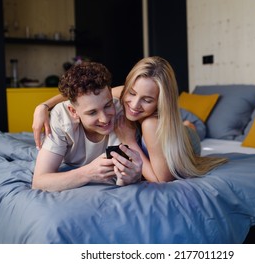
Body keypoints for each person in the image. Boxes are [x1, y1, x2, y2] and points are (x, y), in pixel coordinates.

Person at [33, 56, 227, 182]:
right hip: (152, 139)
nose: (134, 105)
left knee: (193, 129)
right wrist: (43, 106)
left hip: (182, 139)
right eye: (132, 93)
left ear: (160, 102)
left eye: (147, 100)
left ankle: (189, 126)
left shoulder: (152, 124)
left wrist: (129, 140)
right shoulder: (116, 95)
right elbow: (79, 94)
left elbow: (161, 179)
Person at [32, 61, 142, 192]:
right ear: (73, 112)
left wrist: (132, 177)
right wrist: (88, 173)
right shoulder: (61, 117)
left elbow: (123, 177)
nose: (105, 119)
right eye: (92, 112)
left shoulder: (123, 112)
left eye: (108, 105)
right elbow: (39, 182)